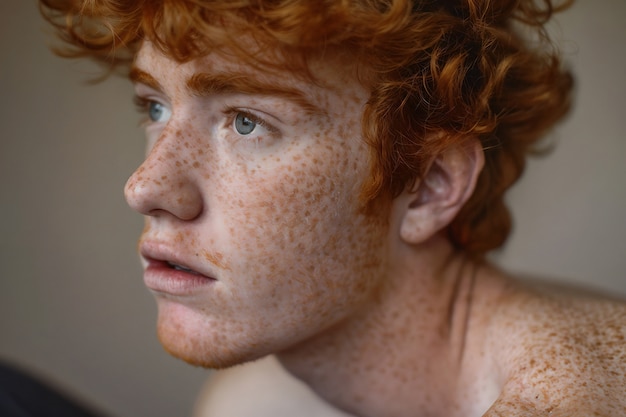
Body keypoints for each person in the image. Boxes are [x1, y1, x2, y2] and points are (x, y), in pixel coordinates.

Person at [39, 0, 625, 416]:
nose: (146, 187)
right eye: (155, 107)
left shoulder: (570, 395)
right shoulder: (257, 402)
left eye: (247, 122)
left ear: (427, 186)